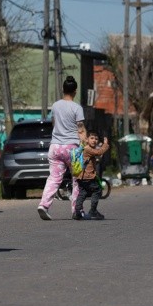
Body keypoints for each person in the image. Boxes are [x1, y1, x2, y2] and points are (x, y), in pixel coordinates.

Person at [37, 76, 85, 220]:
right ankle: (77, 210)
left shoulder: (56, 105)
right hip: (72, 148)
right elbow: (81, 129)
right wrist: (84, 145)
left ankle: (44, 205)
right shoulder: (77, 108)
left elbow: (53, 123)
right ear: (75, 91)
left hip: (55, 147)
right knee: (77, 179)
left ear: (62, 89)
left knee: (54, 178)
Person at [73, 130, 110, 220]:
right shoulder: (87, 149)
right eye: (92, 138)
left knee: (83, 193)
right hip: (88, 176)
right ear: (87, 139)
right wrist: (105, 144)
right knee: (97, 190)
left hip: (80, 176)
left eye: (96, 139)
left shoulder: (82, 148)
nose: (94, 140)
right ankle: (93, 211)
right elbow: (98, 152)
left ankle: (77, 211)